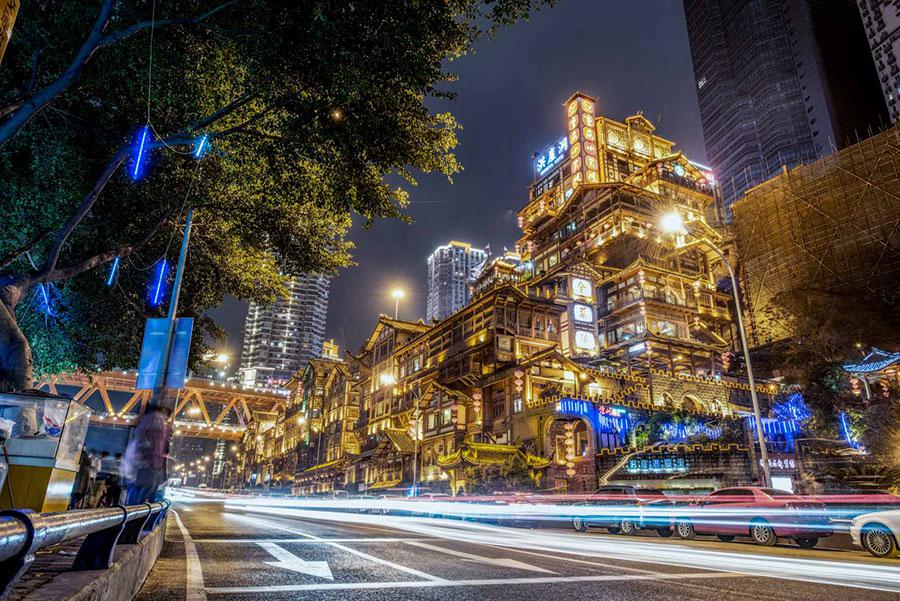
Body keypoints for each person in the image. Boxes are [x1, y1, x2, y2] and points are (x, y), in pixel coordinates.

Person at [122, 406, 171, 505]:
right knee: (139, 505)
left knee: (140, 506)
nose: (162, 422)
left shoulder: (156, 437)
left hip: (147, 475)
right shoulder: (152, 436)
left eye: (164, 419)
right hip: (145, 475)